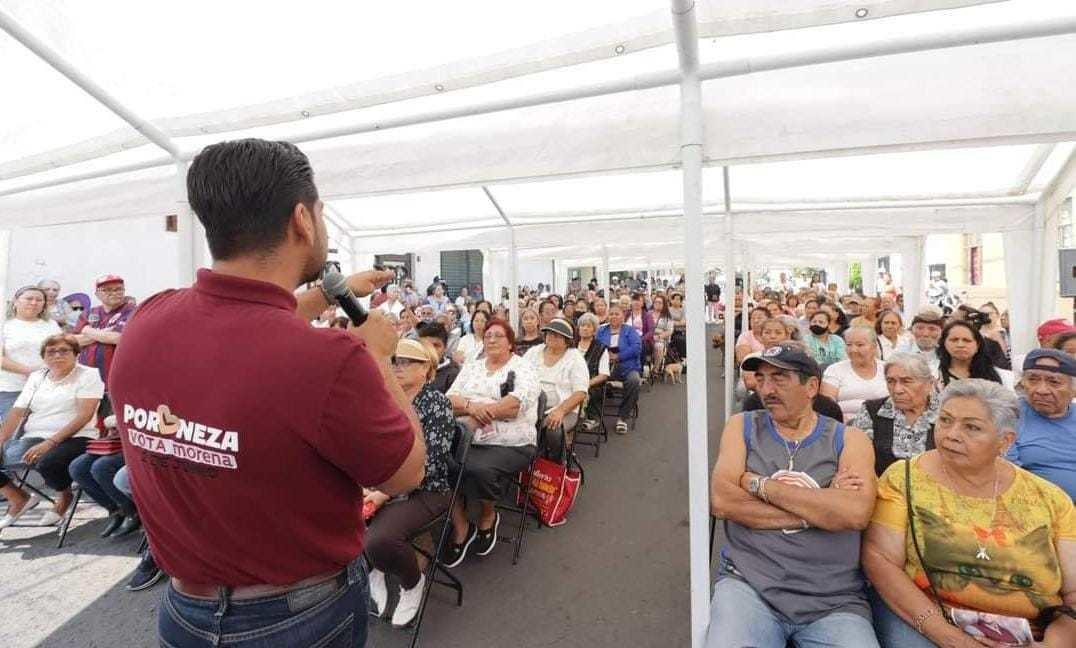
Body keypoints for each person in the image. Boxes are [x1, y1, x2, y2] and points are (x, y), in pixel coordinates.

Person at [108, 139, 426, 648]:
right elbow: (407, 471)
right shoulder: (333, 359)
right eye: (321, 215)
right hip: (299, 618)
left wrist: (327, 293)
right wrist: (380, 358)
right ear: (302, 219)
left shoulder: (148, 320)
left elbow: (242, 325)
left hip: (183, 611)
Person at [862, 379, 1076, 647]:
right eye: (945, 420)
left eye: (971, 427)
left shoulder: (1049, 499)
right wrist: (948, 636)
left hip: (1031, 631)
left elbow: (1073, 592)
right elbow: (881, 560)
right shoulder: (904, 478)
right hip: (932, 621)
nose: (951, 434)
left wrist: (1053, 644)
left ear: (1005, 441)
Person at [708, 344, 879, 648]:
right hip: (750, 586)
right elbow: (723, 501)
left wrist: (759, 485)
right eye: (760, 379)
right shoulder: (743, 426)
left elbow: (855, 514)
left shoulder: (849, 439)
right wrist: (823, 509)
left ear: (812, 386)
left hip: (834, 599)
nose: (767, 389)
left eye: (779, 378)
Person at [365, 339, 456, 628]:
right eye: (394, 361)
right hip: (382, 482)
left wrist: (382, 492)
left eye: (407, 362)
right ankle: (374, 569)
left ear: (426, 368)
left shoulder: (436, 403)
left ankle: (412, 581)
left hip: (426, 489)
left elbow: (430, 463)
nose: (398, 367)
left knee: (380, 539)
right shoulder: (383, 399)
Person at [444, 320, 539, 566]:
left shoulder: (523, 367)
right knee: (440, 465)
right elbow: (449, 400)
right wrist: (470, 406)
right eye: (487, 336)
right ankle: (461, 525)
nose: (492, 340)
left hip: (510, 442)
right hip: (466, 437)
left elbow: (515, 405)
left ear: (510, 343)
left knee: (478, 469)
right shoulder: (471, 367)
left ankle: (488, 514)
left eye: (498, 335)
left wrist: (480, 411)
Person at [0, 334, 103, 528]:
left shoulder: (88, 374)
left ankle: (64, 495)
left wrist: (50, 442)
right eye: (51, 352)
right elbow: (17, 412)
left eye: (64, 350)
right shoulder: (37, 377)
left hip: (77, 437)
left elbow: (84, 415)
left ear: (76, 354)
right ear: (44, 357)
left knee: (47, 461)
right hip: (34, 437)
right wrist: (1, 438)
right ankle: (18, 498)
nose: (57, 355)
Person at [851, 353, 938, 476]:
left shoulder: (946, 415)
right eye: (890, 381)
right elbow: (857, 460)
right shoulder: (871, 412)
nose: (897, 390)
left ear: (929, 384)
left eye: (906, 381)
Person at [1006, 349, 1076, 501]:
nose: (1041, 390)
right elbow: (1010, 473)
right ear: (1023, 384)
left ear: (1073, 389)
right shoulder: (1010, 415)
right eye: (1033, 380)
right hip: (1038, 507)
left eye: (1054, 382)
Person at [67, 412, 142, 538]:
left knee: (101, 467)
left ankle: (133, 512)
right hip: (118, 438)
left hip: (138, 441)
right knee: (78, 468)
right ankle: (116, 510)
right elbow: (107, 419)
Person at [523, 318, 590, 450]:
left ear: (567, 340)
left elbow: (581, 392)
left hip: (564, 408)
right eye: (548, 333)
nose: (551, 336)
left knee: (553, 429)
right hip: (531, 405)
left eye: (556, 334)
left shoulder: (575, 358)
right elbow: (519, 375)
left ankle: (555, 462)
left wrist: (561, 411)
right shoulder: (534, 352)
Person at [0, 286, 62, 422]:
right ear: (16, 301)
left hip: (46, 389)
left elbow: (62, 350)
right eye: (29, 298)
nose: (34, 302)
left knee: (38, 434)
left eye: (39, 300)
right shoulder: (5, 325)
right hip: (12, 389)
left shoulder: (51, 325)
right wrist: (31, 372)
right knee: (12, 434)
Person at [820, 327, 888, 421]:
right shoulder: (834, 370)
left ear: (873, 347)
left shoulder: (887, 369)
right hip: (845, 424)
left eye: (860, 345)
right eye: (849, 345)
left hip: (882, 423)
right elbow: (827, 404)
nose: (853, 350)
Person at [596, 303, 643, 435]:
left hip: (627, 367)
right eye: (611, 314)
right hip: (605, 367)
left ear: (623, 316)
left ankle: (622, 418)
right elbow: (595, 346)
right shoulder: (601, 331)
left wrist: (618, 356)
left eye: (617, 314)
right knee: (590, 379)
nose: (614, 316)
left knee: (634, 380)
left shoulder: (630, 330)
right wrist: (606, 355)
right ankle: (593, 416)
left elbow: (636, 348)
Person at [938, 321, 1014, 389]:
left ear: (977, 345)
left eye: (967, 340)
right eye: (954, 340)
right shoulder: (936, 375)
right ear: (944, 343)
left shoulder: (1001, 376)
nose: (960, 345)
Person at [575, 313, 610, 429]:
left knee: (580, 393)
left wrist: (586, 383)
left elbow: (603, 375)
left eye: (588, 326)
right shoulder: (571, 346)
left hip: (592, 385)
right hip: (570, 381)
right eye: (582, 325)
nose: (585, 328)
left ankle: (577, 419)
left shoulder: (601, 348)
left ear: (594, 330)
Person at [416, 322, 460, 395]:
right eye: (426, 345)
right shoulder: (412, 366)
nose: (431, 349)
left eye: (436, 345)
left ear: (445, 348)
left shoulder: (452, 373)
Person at [905, 306, 946, 374]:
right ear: (912, 330)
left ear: (941, 332)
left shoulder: (946, 354)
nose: (925, 334)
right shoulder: (901, 352)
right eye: (920, 328)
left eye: (932, 329)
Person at [651, 294, 675, 371]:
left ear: (664, 304)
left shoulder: (667, 316)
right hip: (648, 337)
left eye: (660, 303)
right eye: (656, 302)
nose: (657, 304)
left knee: (659, 346)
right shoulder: (648, 314)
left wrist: (659, 336)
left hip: (660, 338)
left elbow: (669, 331)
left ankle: (655, 369)